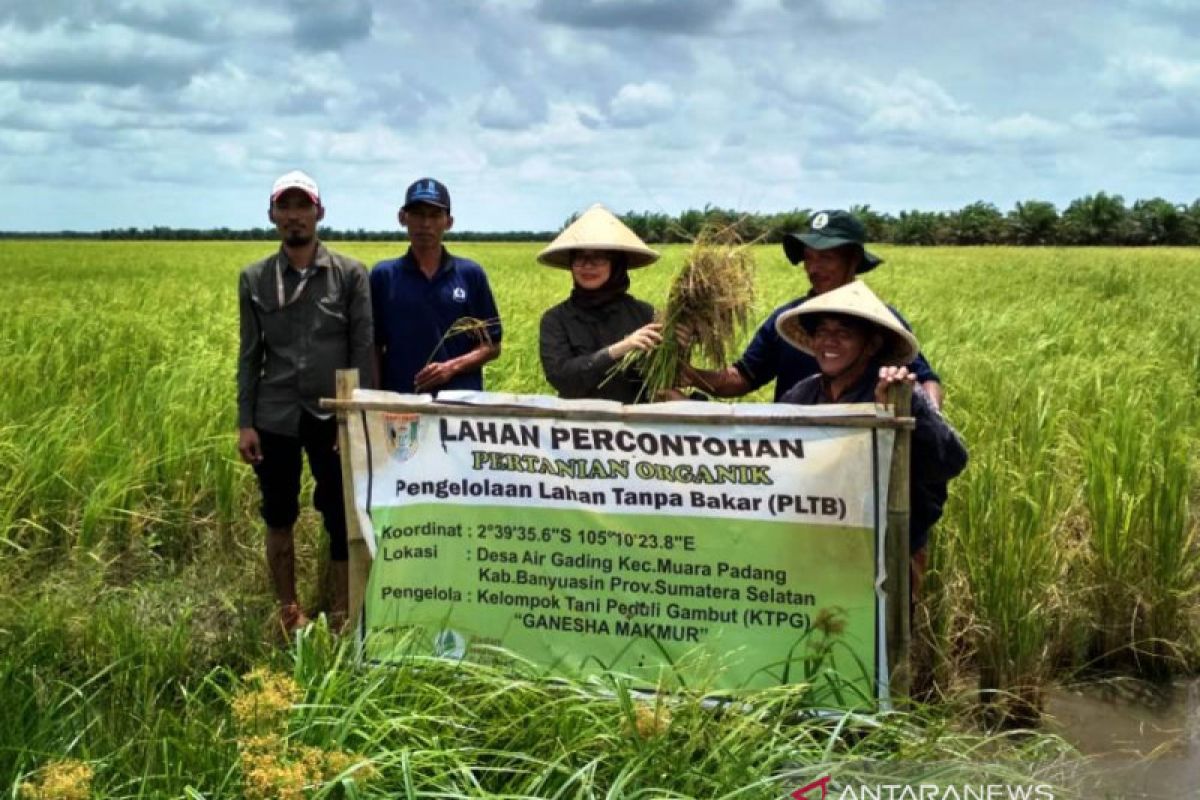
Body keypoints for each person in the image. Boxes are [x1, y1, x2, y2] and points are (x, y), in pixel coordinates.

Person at [236, 170, 374, 634]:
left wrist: (353, 420)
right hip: (274, 416)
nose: (294, 216)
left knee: (339, 514)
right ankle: (289, 611)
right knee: (278, 513)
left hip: (331, 414)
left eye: (303, 206)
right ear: (272, 215)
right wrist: (245, 421)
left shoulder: (350, 275)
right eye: (285, 206)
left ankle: (339, 612)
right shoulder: (255, 278)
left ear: (320, 213)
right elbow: (250, 353)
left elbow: (362, 349)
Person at [774, 280, 967, 596]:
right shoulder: (803, 393)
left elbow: (950, 462)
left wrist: (901, 409)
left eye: (844, 333)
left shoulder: (898, 391)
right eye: (822, 331)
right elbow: (770, 454)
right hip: (819, 546)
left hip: (889, 550)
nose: (829, 341)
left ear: (872, 344)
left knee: (885, 639)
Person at [682, 209, 944, 408]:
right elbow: (741, 377)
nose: (814, 269)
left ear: (853, 260)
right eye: (809, 258)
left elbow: (925, 380)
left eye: (826, 258)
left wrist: (931, 420)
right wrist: (690, 374)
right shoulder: (788, 320)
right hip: (797, 450)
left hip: (859, 454)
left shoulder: (880, 321)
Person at [370, 178, 502, 394]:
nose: (426, 224)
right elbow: (373, 346)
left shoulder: (470, 275)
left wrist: (450, 368)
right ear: (402, 218)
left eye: (434, 215)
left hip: (458, 405)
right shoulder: (384, 276)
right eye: (418, 214)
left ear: (449, 222)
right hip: (401, 403)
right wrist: (375, 398)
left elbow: (492, 345)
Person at [537, 204, 664, 403]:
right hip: (578, 428)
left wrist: (679, 343)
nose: (588, 266)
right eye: (580, 258)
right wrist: (620, 349)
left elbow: (665, 377)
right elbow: (562, 378)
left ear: (617, 265)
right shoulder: (556, 319)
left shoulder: (645, 315)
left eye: (599, 258)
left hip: (636, 427)